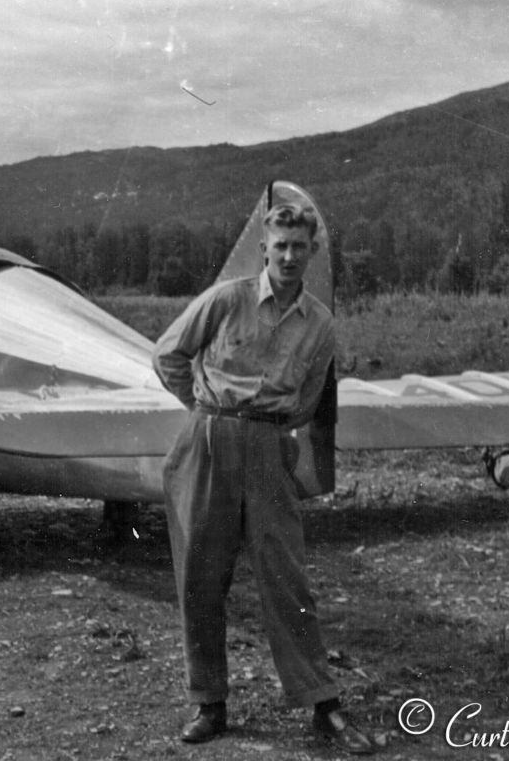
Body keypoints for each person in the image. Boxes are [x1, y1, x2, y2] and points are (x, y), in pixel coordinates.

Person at [152, 202, 375, 755]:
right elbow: (168, 355)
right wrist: (207, 410)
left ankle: (323, 705)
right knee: (201, 576)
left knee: (286, 576)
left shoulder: (320, 323)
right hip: (207, 439)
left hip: (269, 447)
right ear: (265, 250)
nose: (291, 256)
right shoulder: (227, 300)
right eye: (281, 246)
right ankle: (210, 704)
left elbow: (308, 398)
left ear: (313, 251)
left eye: (301, 247)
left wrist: (266, 429)